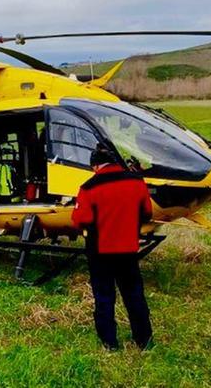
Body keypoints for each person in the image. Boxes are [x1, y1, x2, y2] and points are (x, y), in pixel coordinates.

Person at [71, 146, 154, 351]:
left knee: (104, 297)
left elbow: (80, 220)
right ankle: (144, 339)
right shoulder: (136, 182)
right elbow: (147, 213)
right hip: (128, 251)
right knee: (134, 295)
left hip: (100, 253)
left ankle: (110, 342)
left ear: (96, 165)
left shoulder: (89, 188)